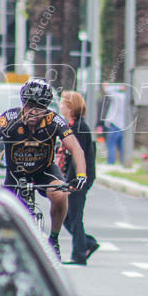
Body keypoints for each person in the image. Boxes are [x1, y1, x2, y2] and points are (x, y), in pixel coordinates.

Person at [0, 78, 87, 259]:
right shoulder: (9, 118)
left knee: (60, 194)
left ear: (47, 108)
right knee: (3, 210)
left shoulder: (54, 120)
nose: (34, 112)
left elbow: (76, 149)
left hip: (44, 171)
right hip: (15, 173)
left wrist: (81, 175)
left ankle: (54, 239)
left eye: (40, 107)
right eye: (30, 106)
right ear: (23, 104)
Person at [57, 91, 100, 266]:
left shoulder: (79, 128)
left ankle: (80, 253)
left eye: (62, 103)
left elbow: (78, 157)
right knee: (68, 216)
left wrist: (73, 181)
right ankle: (86, 243)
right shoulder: (72, 126)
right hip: (73, 179)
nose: (60, 106)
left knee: (73, 216)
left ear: (70, 106)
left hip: (78, 180)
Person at [101, 83, 127, 165]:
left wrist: (118, 86)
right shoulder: (127, 98)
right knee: (122, 146)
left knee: (111, 145)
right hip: (124, 125)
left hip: (115, 124)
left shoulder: (117, 96)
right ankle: (123, 162)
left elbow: (107, 89)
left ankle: (111, 162)